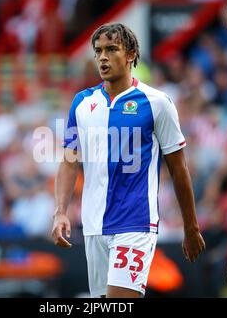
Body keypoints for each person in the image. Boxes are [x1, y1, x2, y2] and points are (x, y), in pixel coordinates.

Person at [51, 23, 205, 298]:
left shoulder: (157, 102)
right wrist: (61, 210)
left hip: (136, 222)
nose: (102, 57)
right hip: (93, 224)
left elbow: (178, 168)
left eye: (111, 49)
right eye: (98, 51)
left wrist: (191, 227)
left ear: (131, 54)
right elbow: (69, 161)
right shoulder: (82, 104)